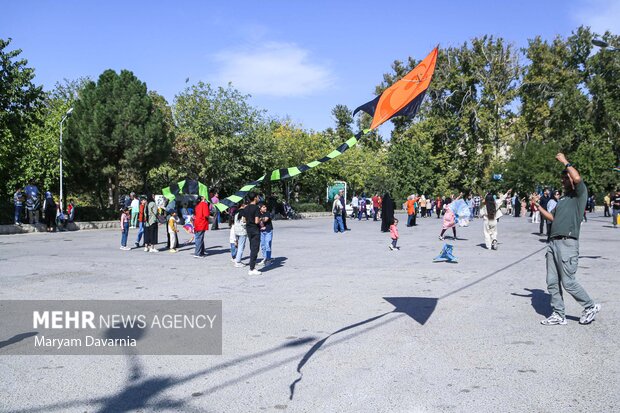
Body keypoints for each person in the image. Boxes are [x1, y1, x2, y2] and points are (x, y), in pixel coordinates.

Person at [536, 153, 601, 325]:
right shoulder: (563, 199)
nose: (563, 181)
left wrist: (565, 162)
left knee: (568, 282)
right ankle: (559, 314)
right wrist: (537, 206)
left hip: (568, 243)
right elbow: (553, 218)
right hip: (553, 243)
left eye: (566, 178)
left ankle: (590, 306)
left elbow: (577, 177)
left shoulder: (579, 194)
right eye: (562, 179)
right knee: (551, 282)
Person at [243, 192, 262, 275]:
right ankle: (252, 268)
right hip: (255, 229)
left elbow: (244, 220)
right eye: (258, 197)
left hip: (249, 229)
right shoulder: (256, 208)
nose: (258, 198)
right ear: (255, 198)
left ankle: (252, 266)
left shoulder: (246, 208)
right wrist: (261, 219)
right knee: (255, 249)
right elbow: (256, 221)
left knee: (252, 247)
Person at [233, 201, 248, 267]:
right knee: (241, 246)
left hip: (236, 230)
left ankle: (236, 258)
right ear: (243, 205)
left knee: (239, 245)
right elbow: (243, 222)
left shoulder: (236, 212)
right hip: (242, 231)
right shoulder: (243, 212)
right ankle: (238, 261)